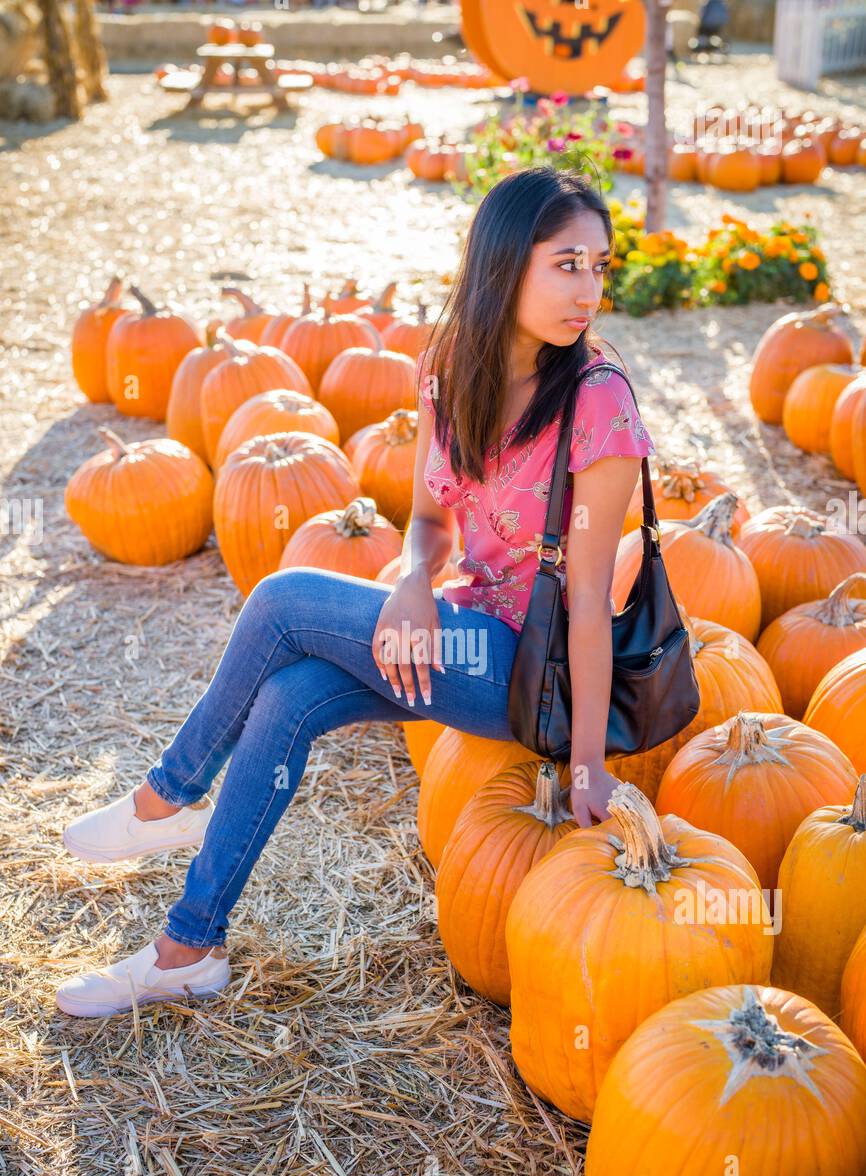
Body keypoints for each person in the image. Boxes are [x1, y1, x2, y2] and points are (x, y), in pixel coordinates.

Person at [56, 166, 655, 1019]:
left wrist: (589, 763)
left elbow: (590, 598)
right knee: (288, 699)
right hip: (450, 631)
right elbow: (430, 521)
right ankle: (187, 947)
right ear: (503, 263)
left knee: (282, 600)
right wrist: (412, 580)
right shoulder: (450, 370)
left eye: (600, 265)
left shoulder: (599, 404)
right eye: (567, 263)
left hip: (526, 667)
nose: (588, 288)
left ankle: (167, 795)